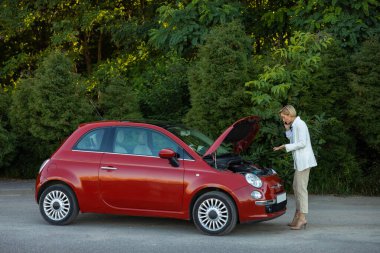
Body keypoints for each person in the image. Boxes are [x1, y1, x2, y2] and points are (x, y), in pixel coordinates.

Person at [273, 105, 317, 230]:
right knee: (296, 188)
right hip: (300, 162)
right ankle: (298, 216)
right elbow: (294, 140)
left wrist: (284, 146)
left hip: (304, 162)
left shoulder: (300, 124)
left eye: (283, 117)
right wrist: (287, 130)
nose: (283, 120)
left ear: (290, 115)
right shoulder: (295, 125)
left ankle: (302, 218)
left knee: (301, 189)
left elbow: (302, 143)